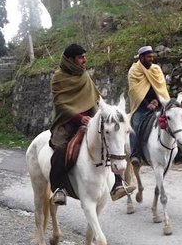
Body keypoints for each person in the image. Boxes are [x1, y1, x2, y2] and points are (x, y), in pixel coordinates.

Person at [49, 44, 134, 205]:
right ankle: (59, 188)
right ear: (70, 60)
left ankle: (117, 183)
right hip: (68, 121)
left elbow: (95, 98)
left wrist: (102, 115)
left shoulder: (84, 75)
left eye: (84, 57)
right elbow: (61, 104)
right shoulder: (58, 78)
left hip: (91, 118)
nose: (84, 60)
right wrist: (79, 118)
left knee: (110, 140)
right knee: (60, 148)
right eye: (81, 57)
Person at [128, 45, 170, 162]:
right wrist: (147, 104)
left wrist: (157, 100)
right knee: (135, 126)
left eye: (152, 57)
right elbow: (135, 92)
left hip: (158, 104)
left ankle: (177, 152)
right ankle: (135, 154)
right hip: (142, 107)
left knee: (172, 120)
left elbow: (160, 87)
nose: (151, 59)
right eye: (148, 57)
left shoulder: (156, 69)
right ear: (141, 57)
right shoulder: (134, 71)